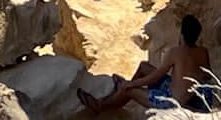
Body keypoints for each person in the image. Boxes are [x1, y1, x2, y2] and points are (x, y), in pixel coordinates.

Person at [77, 16, 211, 113]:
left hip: (173, 103)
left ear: (181, 35)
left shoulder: (175, 52)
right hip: (196, 101)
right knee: (144, 66)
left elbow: (155, 78)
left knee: (129, 90)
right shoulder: (203, 52)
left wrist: (131, 84)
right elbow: (207, 76)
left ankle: (101, 105)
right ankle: (120, 91)